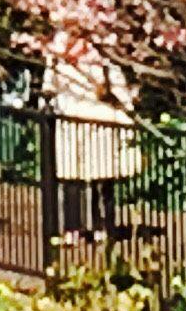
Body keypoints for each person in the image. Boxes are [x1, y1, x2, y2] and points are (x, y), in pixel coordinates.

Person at [46, 37, 139, 246]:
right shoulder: (63, 58)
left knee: (93, 178)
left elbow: (49, 86)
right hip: (79, 123)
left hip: (90, 123)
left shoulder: (99, 60)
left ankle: (89, 228)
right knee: (83, 178)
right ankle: (91, 227)